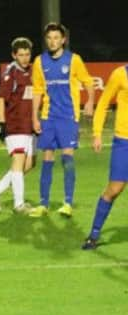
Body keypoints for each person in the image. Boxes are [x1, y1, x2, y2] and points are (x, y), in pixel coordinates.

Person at [28, 23, 94, 218]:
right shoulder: (39, 62)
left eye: (56, 38)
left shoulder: (74, 60)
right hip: (48, 117)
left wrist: (90, 102)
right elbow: (38, 92)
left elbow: (89, 83)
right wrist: (35, 117)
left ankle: (67, 203)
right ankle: (43, 204)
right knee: (47, 159)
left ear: (63, 40)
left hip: (68, 117)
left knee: (67, 159)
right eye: (49, 38)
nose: (52, 41)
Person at [0, 37, 36, 214]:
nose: (24, 58)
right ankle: (19, 204)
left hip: (28, 125)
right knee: (18, 160)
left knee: (29, 164)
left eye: (27, 54)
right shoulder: (11, 73)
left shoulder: (32, 71)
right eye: (21, 55)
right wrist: (1, 123)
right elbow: (0, 98)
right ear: (14, 55)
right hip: (15, 125)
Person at [82, 64, 128, 249]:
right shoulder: (120, 74)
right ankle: (94, 235)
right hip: (124, 142)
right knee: (114, 189)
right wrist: (97, 133)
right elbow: (103, 103)